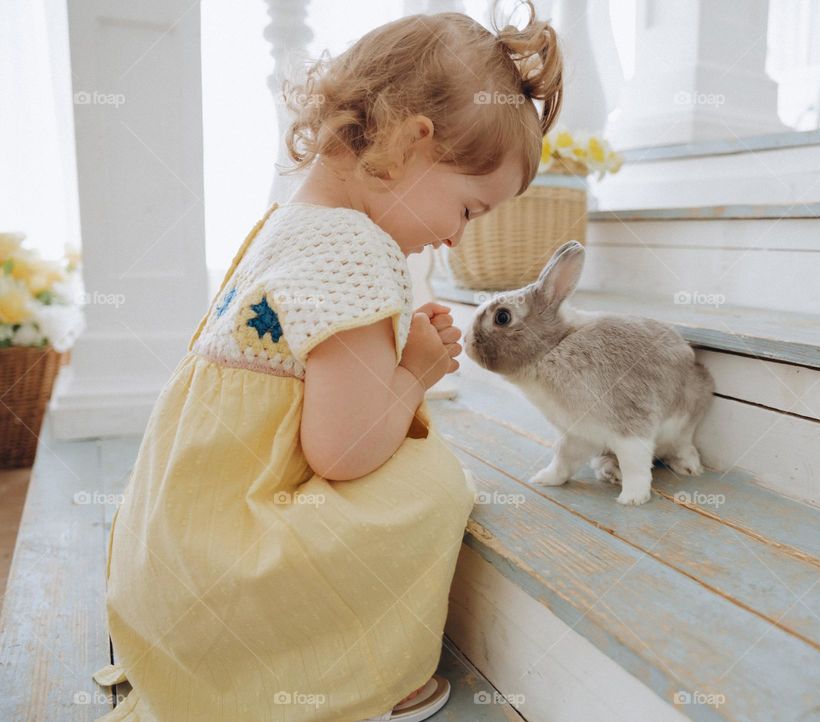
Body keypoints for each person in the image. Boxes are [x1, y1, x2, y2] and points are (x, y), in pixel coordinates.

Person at [92, 2, 562, 719]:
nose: (454, 241)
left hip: (168, 567)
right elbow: (342, 449)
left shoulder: (285, 224)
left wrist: (393, 362)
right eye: (468, 210)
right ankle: (356, 671)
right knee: (433, 483)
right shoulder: (355, 253)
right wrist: (416, 375)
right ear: (414, 142)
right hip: (228, 580)